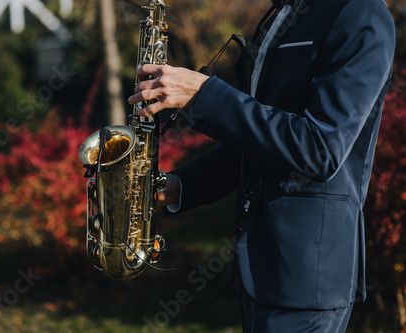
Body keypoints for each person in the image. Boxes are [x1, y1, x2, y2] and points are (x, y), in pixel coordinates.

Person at [128, 0, 396, 331]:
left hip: (306, 280)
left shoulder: (360, 12)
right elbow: (258, 142)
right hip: (260, 270)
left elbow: (319, 148)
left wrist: (204, 93)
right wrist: (180, 186)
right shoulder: (282, 14)